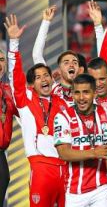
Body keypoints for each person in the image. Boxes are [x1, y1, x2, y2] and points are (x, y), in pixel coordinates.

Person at [6, 14, 68, 207]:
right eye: (38, 77)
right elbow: (15, 77)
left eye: (47, 75)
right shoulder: (26, 100)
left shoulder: (62, 101)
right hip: (41, 167)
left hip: (66, 168)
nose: (44, 79)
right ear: (32, 84)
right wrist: (14, 43)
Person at [54, 74, 107, 207]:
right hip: (75, 191)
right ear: (72, 94)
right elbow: (64, 153)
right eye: (77, 93)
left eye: (86, 92)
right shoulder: (63, 116)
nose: (81, 98)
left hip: (103, 187)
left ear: (94, 93)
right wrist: (94, 153)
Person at [0, 49, 14, 207]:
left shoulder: (8, 91)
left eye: (2, 60)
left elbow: (24, 107)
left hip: (1, 151)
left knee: (4, 178)